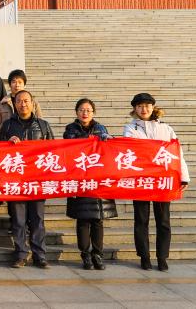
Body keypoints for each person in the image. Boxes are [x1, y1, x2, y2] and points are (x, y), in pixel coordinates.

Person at [123, 93, 190, 272]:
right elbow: (133, 149)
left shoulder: (166, 129)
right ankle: (144, 257)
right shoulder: (130, 128)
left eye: (147, 105)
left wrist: (183, 176)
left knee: (163, 220)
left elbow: (177, 152)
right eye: (139, 106)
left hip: (162, 180)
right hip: (141, 180)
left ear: (153, 107)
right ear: (135, 109)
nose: (143, 109)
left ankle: (162, 257)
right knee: (141, 219)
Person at [0, 90, 54, 269]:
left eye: (26, 101)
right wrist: (7, 141)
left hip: (37, 181)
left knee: (37, 220)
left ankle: (40, 255)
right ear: (14, 104)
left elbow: (53, 151)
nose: (23, 104)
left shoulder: (43, 125)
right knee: (18, 220)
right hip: (16, 181)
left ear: (32, 103)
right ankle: (21, 254)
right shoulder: (8, 125)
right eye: (19, 101)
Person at [63, 98, 117, 271]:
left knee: (98, 220)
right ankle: (85, 255)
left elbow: (109, 152)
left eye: (88, 110)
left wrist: (109, 140)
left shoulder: (101, 129)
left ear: (93, 112)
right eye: (81, 110)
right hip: (80, 180)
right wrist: (93, 140)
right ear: (76, 112)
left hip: (98, 181)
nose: (85, 113)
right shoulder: (70, 129)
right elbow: (70, 148)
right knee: (83, 220)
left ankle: (97, 255)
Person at [0, 69, 42, 138]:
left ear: (24, 85)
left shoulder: (34, 103)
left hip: (29, 138)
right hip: (8, 140)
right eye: (14, 82)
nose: (17, 85)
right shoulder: (1, 104)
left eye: (20, 82)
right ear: (10, 85)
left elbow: (40, 124)